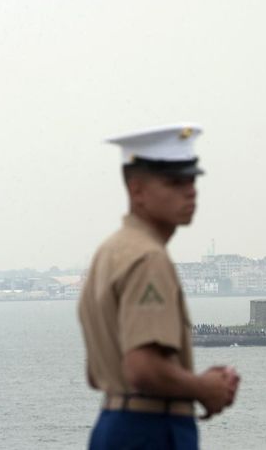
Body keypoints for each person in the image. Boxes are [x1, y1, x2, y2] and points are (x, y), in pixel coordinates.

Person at [78, 123, 239, 449]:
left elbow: (104, 370)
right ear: (136, 190)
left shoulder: (110, 251)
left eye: (192, 180)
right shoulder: (148, 258)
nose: (190, 190)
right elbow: (143, 369)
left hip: (114, 423)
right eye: (174, 182)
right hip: (150, 430)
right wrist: (203, 388)